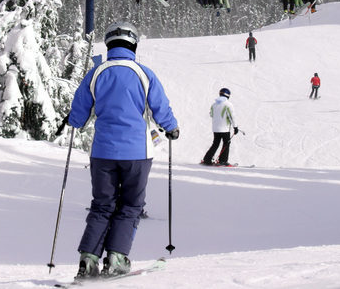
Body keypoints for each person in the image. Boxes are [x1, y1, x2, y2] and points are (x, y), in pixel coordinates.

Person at [68, 21, 179, 279]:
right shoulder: (143, 73)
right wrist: (172, 128)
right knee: (130, 205)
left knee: (102, 206)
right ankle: (116, 258)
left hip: (103, 152)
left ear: (108, 44)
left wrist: (74, 122)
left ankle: (88, 260)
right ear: (133, 44)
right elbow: (160, 106)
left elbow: (79, 110)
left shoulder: (96, 73)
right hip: (137, 153)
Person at [202, 88, 238, 167]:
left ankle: (207, 159)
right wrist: (235, 127)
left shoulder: (214, 104)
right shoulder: (228, 104)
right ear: (228, 96)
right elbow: (232, 116)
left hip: (215, 128)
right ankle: (222, 160)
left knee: (215, 144)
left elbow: (211, 114)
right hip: (225, 128)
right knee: (226, 143)